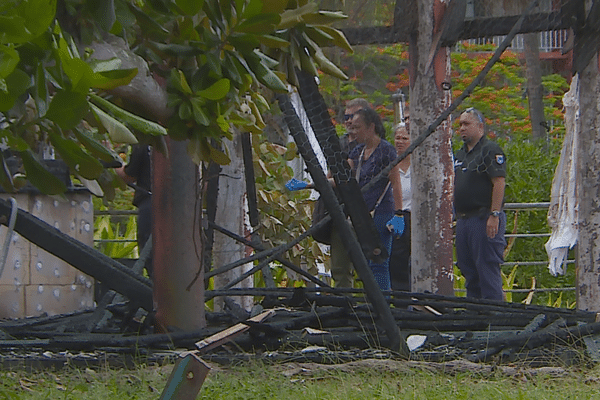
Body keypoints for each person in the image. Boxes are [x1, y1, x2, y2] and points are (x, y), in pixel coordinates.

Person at [345, 107, 403, 290]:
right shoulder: (357, 152)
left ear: (371, 127)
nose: (354, 132)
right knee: (365, 264)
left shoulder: (386, 151)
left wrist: (398, 214)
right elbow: (343, 178)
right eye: (352, 128)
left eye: (358, 127)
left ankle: (382, 305)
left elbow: (396, 183)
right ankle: (370, 304)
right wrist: (312, 184)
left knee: (379, 262)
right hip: (362, 212)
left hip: (381, 212)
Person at [453, 107, 506, 301]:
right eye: (460, 125)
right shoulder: (459, 155)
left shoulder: (489, 150)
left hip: (483, 217)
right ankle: (475, 316)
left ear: (480, 126)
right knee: (468, 269)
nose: (462, 129)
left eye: (466, 124)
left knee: (487, 269)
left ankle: (495, 319)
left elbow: (499, 182)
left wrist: (495, 214)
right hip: (464, 220)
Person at [329, 98, 373, 288]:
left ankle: (371, 312)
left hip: (367, 212)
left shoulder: (376, 146)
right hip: (340, 210)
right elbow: (331, 175)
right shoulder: (338, 144)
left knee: (369, 267)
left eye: (353, 116)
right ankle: (344, 310)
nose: (349, 121)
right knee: (340, 268)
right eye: (346, 117)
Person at [116, 144, 153, 276]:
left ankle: (155, 289)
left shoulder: (145, 142)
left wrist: (114, 161)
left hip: (150, 202)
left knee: (150, 254)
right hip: (180, 204)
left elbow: (129, 176)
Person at [389, 122, 412, 291]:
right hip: (395, 217)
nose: (400, 141)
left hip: (415, 219)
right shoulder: (389, 165)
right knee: (396, 263)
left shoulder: (420, 166)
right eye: (397, 138)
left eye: (405, 138)